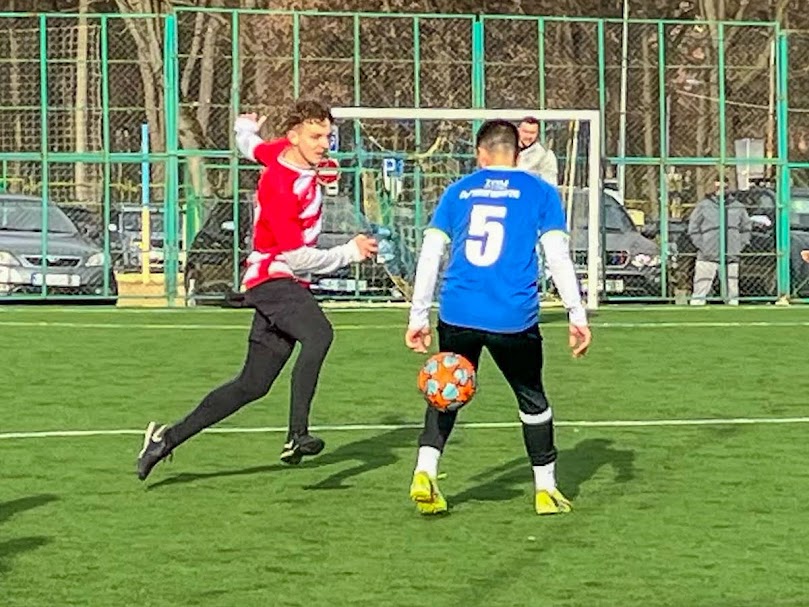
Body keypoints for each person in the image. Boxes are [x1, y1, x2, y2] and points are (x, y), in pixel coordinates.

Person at [136, 99, 378, 481]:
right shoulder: (281, 186)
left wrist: (243, 129)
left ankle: (165, 440)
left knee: (252, 385)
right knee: (319, 335)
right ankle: (297, 435)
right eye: (316, 136)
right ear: (294, 136)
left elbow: (253, 148)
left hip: (279, 283)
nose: (324, 144)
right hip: (274, 279)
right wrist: (349, 251)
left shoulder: (280, 153)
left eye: (327, 136)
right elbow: (296, 258)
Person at [404, 119, 591, 516]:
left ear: (480, 153)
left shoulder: (458, 192)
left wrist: (418, 314)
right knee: (531, 397)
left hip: (458, 311)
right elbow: (557, 256)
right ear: (517, 154)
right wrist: (577, 312)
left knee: (446, 389)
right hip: (513, 317)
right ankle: (545, 489)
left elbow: (430, 254)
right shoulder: (540, 191)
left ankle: (425, 469)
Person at [687, 178, 752, 305]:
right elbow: (693, 228)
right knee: (700, 289)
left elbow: (746, 228)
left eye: (724, 187)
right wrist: (703, 245)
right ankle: (696, 310)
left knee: (732, 290)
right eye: (718, 187)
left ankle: (733, 310)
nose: (721, 190)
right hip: (707, 254)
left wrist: (739, 245)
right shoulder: (703, 205)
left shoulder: (738, 206)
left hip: (731, 254)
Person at [516, 116, 559, 185]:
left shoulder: (545, 155)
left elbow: (550, 182)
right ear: (518, 130)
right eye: (525, 132)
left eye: (532, 133)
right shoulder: (506, 150)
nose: (528, 136)